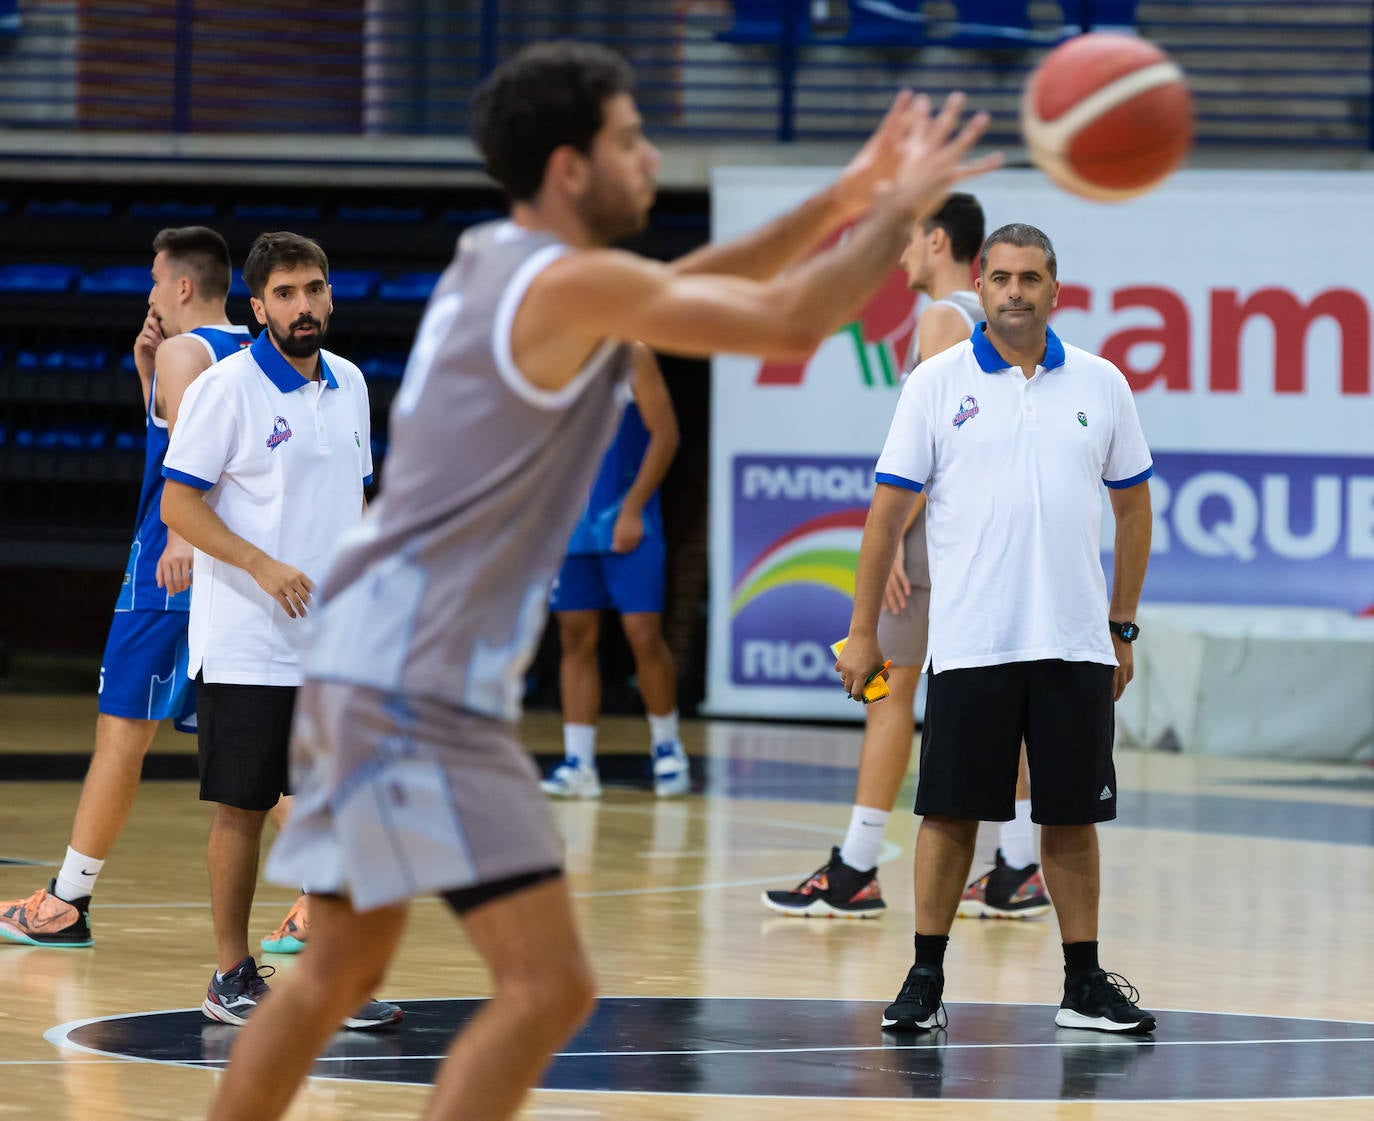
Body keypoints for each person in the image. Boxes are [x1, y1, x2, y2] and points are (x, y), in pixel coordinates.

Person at [203, 41, 998, 1121]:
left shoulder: (505, 257)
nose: (652, 157)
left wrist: (848, 195)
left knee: (345, 969)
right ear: (572, 166)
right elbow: (788, 318)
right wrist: (897, 202)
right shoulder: (564, 280)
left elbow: (695, 282)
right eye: (632, 139)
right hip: (412, 672)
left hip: (385, 656)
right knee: (545, 984)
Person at [835, 222, 1156, 1035]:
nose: (1016, 291)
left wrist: (1121, 627)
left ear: (1057, 288)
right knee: (947, 814)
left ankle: (1083, 984)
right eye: (1002, 277)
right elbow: (883, 520)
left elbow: (1134, 507)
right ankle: (926, 978)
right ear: (979, 287)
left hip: (1076, 641)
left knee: (1071, 818)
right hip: (972, 640)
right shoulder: (936, 384)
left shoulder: (1102, 382)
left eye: (1031, 278)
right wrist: (862, 628)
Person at [763, 194, 1050, 921]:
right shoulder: (980, 319)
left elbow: (934, 449)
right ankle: (1018, 864)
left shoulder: (943, 317)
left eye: (908, 241)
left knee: (884, 694)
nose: (899, 256)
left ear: (939, 240)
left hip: (929, 537)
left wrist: (892, 537)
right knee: (999, 700)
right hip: (978, 535)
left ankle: (857, 867)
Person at [0, 227, 268, 947]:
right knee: (255, 743)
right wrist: (142, 371)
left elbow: (189, 460)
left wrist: (181, 535)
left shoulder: (187, 350)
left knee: (120, 735)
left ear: (183, 286)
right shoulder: (250, 353)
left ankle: (67, 901)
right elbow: (204, 441)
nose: (149, 293)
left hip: (169, 574)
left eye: (155, 280)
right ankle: (326, 895)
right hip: (240, 575)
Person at [160, 231, 398, 1031]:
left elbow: (353, 505)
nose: (305, 306)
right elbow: (179, 504)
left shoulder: (355, 384)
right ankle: (229, 973)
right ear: (258, 306)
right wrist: (261, 565)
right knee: (243, 807)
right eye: (287, 294)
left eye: (315, 289)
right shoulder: (225, 390)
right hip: (246, 640)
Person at [541, 343, 689, 799]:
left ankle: (667, 746)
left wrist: (632, 508)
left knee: (643, 633)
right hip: (570, 522)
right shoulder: (546, 353)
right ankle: (579, 761)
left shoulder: (630, 353)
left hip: (627, 517)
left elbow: (665, 434)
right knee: (574, 635)